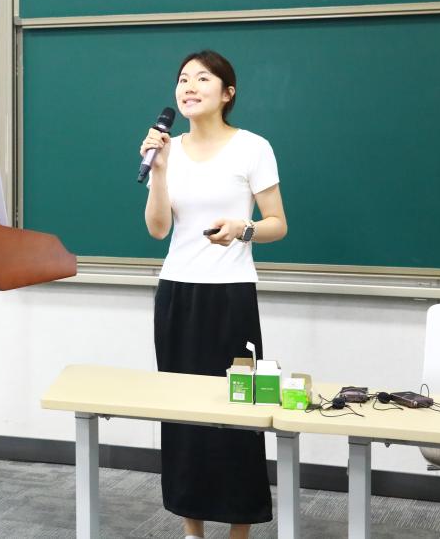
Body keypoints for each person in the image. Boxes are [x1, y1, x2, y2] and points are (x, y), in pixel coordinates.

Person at [139, 49, 288, 539]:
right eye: (183, 78)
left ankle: (239, 529)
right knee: (182, 416)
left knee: (236, 412)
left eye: (203, 79)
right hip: (177, 294)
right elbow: (158, 229)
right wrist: (158, 170)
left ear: (227, 93)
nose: (190, 86)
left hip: (230, 297)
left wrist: (244, 229)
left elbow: (277, 224)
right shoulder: (167, 151)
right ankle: (192, 530)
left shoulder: (252, 148)